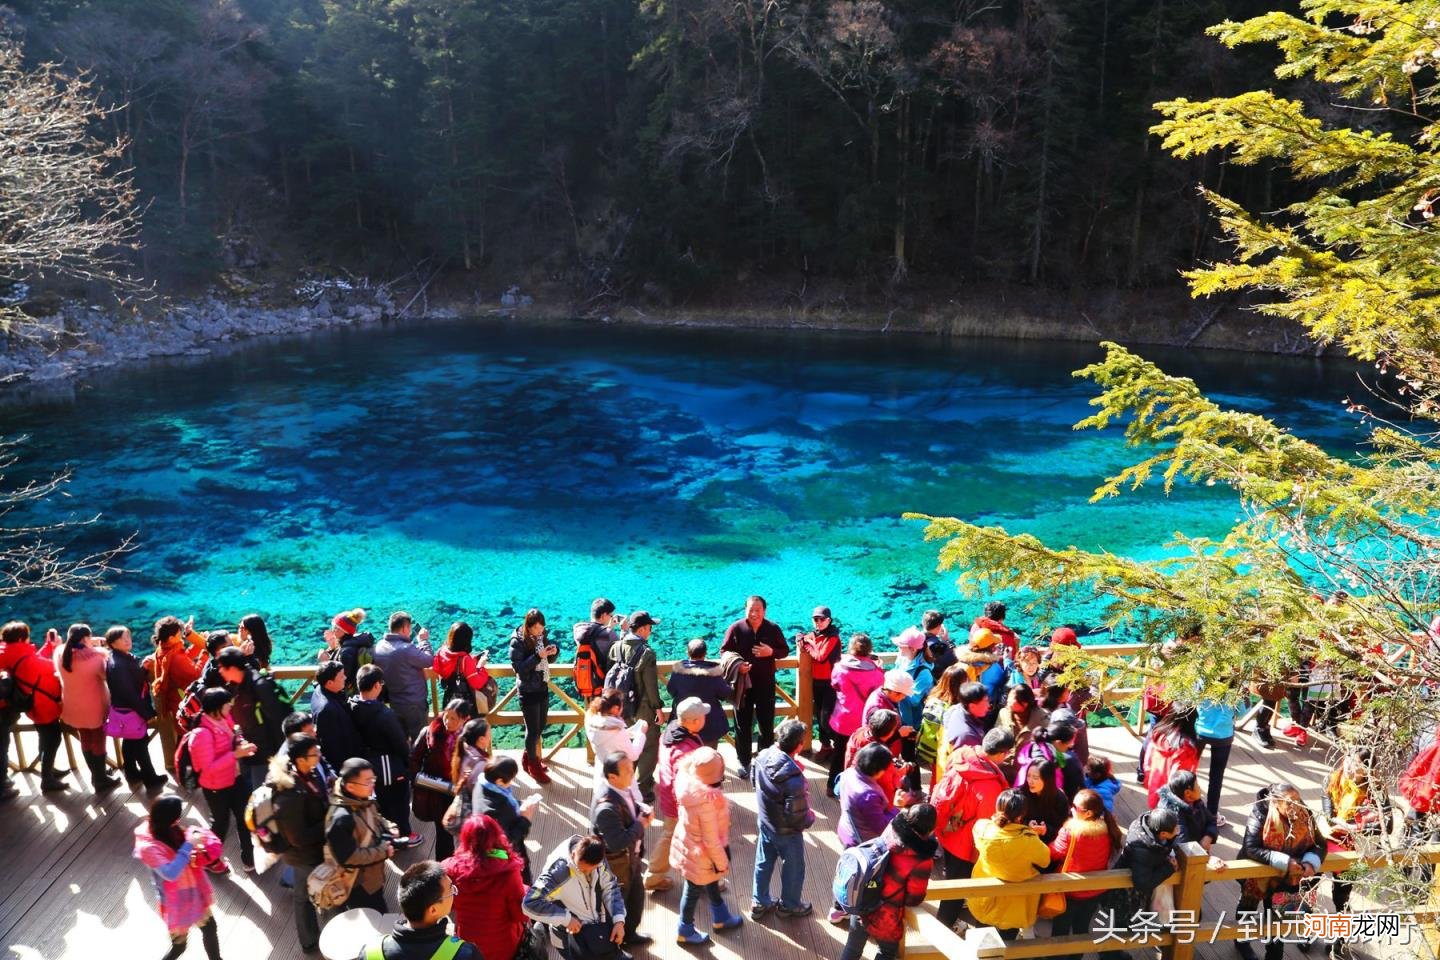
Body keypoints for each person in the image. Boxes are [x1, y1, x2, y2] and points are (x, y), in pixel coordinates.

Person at [929, 727, 1015, 928]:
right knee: (956, 892)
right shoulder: (989, 786)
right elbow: (987, 826)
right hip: (966, 845)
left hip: (950, 833)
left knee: (952, 883)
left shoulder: (962, 755)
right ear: (1002, 753)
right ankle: (944, 932)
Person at [838, 803, 938, 960]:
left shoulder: (892, 828)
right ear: (931, 829)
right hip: (886, 914)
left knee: (852, 947)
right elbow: (914, 897)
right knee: (887, 953)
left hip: (863, 896)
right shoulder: (922, 859)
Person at [1236, 784, 1325, 960]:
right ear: (1276, 803)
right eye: (1289, 803)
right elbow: (1251, 847)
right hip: (1260, 873)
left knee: (1276, 920)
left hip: (1287, 879)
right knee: (1248, 907)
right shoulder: (1261, 811)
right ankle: (1241, 940)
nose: (1295, 807)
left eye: (1297, 801)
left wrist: (1311, 861)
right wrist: (1284, 862)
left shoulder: (1304, 813)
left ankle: (1273, 956)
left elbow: (1320, 843)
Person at [133, 794, 225, 960]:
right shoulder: (148, 847)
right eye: (177, 817)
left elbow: (183, 853)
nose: (179, 820)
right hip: (175, 901)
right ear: (169, 819)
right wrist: (190, 844)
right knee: (179, 947)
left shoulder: (167, 829)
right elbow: (170, 873)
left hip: (193, 891)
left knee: (210, 929)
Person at [672, 746, 743, 944]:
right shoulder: (707, 803)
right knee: (693, 888)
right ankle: (684, 929)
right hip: (702, 854)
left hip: (689, 842)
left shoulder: (687, 782)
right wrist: (722, 863)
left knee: (710, 879)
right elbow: (711, 841)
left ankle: (721, 916)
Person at [268, 733, 330, 953]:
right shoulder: (289, 796)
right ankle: (313, 940)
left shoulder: (307, 774)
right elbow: (298, 837)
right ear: (301, 760)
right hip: (303, 855)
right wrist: (329, 822)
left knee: (307, 893)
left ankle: (311, 936)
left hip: (309, 851)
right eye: (315, 754)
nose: (319, 756)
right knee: (311, 897)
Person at [523, 834, 627, 959]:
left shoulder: (597, 856)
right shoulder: (558, 872)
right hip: (569, 937)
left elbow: (611, 887)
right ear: (573, 855)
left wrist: (619, 921)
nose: (588, 873)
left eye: (592, 869)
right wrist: (566, 919)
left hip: (598, 931)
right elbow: (529, 903)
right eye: (582, 870)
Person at [750, 718, 815, 920]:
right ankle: (790, 905)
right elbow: (798, 817)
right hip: (787, 832)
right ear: (799, 746)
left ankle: (759, 902)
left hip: (766, 822)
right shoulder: (794, 779)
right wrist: (810, 817)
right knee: (794, 869)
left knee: (763, 862)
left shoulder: (762, 756)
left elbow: (754, 780)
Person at [189, 687, 258, 872]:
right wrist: (236, 754)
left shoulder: (224, 718)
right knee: (221, 823)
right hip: (216, 787)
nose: (231, 707)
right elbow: (207, 768)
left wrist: (241, 743)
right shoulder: (201, 734)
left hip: (235, 779)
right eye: (228, 704)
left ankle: (249, 859)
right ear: (217, 707)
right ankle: (209, 859)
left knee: (245, 818)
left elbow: (235, 734)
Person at [720, 595, 790, 778]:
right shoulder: (736, 628)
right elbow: (724, 651)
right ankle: (743, 762)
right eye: (751, 609)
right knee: (742, 725)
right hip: (743, 685)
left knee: (766, 725)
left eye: (758, 610)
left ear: (764, 611)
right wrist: (737, 665)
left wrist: (771, 652)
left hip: (766, 685)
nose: (754, 613)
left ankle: (764, 761)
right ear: (745, 610)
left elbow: (785, 651)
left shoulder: (772, 628)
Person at [351, 663, 420, 845]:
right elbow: (399, 744)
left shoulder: (351, 707)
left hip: (366, 764)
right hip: (389, 765)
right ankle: (405, 836)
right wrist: (408, 761)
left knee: (380, 801)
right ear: (376, 686)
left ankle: (385, 836)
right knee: (399, 801)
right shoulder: (384, 714)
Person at [968, 789, 1051, 939]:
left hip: (986, 891)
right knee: (1008, 938)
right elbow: (1045, 861)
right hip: (1015, 900)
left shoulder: (983, 828)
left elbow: (995, 829)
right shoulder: (1028, 840)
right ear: (1020, 816)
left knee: (982, 934)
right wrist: (1031, 832)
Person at [591, 752, 655, 946]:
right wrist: (641, 824)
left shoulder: (620, 790)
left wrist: (640, 808)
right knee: (616, 908)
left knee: (636, 899)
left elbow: (628, 806)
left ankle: (630, 934)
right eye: (627, 770)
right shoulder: (606, 809)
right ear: (612, 777)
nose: (632, 772)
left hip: (630, 860)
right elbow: (617, 842)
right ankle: (613, 948)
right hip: (617, 866)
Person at [444, 816, 528, 960]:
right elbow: (520, 915)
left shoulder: (449, 868)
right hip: (504, 948)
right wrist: (525, 890)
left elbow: (447, 904)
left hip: (467, 946)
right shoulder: (508, 872)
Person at [646, 697, 707, 893]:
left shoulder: (671, 731)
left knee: (678, 836)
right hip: (680, 803)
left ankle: (655, 876)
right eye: (702, 716)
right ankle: (705, 879)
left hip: (667, 795)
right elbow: (684, 784)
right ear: (694, 721)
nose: (705, 718)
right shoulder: (684, 751)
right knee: (685, 837)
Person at [362, 860, 481, 960]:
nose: (454, 893)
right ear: (433, 910)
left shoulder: (370, 953)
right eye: (451, 890)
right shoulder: (465, 954)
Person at [1047, 788, 1123, 937]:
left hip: (1070, 891)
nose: (1071, 809)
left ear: (1088, 813)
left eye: (1075, 807)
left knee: (1060, 931)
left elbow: (1053, 852)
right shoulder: (1109, 829)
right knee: (1081, 929)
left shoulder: (1070, 832)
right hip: (1095, 890)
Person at [326, 757, 399, 912]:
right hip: (359, 883)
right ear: (351, 787)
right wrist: (383, 851)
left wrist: (388, 826)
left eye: (373, 779)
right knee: (374, 915)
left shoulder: (360, 797)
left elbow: (375, 817)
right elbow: (348, 858)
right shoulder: (340, 819)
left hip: (373, 875)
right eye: (368, 781)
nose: (373, 784)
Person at [409, 697, 478, 862]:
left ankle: (466, 865)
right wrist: (419, 779)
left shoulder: (471, 739)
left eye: (454, 718)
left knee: (468, 831)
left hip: (462, 793)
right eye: (446, 716)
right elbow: (414, 759)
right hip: (438, 792)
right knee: (443, 833)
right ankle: (445, 867)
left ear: (465, 719)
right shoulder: (429, 733)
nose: (447, 721)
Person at [56, 623, 120, 793]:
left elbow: (67, 651)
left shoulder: (61, 654)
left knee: (85, 738)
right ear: (85, 638)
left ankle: (96, 774)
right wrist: (99, 648)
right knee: (99, 740)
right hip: (94, 706)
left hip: (72, 705)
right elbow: (108, 675)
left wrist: (91, 645)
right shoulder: (96, 658)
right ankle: (100, 779)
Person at [213, 646, 289, 788]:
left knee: (262, 794)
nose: (220, 671)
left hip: (265, 756)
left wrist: (279, 757)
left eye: (222, 667)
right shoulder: (237, 685)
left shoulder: (260, 686)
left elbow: (277, 722)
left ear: (233, 668)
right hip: (249, 750)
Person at [0, 622, 63, 793]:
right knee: (52, 740)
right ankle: (47, 778)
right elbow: (43, 669)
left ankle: (48, 770)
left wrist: (48, 647)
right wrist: (59, 651)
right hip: (42, 705)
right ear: (22, 638)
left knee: (44, 738)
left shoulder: (6, 653)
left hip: (27, 704)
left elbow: (29, 663)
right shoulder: (26, 658)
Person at [608, 611, 664, 800]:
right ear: (641, 629)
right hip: (643, 707)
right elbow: (651, 686)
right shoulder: (647, 654)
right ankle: (643, 788)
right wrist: (658, 709)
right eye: (649, 628)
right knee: (649, 746)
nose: (650, 632)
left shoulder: (616, 647)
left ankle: (627, 782)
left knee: (628, 744)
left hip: (622, 706)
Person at [104, 624, 167, 791]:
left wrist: (143, 669)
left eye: (128, 637)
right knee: (140, 743)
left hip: (123, 708)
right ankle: (150, 778)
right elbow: (129, 692)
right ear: (112, 643)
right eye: (122, 638)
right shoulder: (118, 664)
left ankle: (131, 773)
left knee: (131, 741)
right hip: (131, 709)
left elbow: (130, 681)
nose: (127, 641)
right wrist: (146, 713)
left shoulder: (118, 658)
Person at [147, 616, 206, 778]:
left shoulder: (164, 648)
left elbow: (183, 655)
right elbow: (194, 673)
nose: (182, 636)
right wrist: (205, 653)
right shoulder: (175, 656)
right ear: (172, 637)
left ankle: (184, 766)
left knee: (182, 733)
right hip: (182, 700)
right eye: (180, 633)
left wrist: (194, 642)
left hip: (173, 699)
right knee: (186, 734)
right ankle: (188, 770)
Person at [828, 632, 884, 797]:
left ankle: (832, 786)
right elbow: (879, 691)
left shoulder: (839, 668)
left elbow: (835, 685)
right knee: (862, 756)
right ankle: (857, 790)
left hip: (843, 719)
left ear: (851, 649)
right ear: (869, 650)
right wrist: (879, 667)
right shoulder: (876, 672)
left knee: (838, 753)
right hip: (863, 723)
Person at [509, 608, 558, 785]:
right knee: (532, 730)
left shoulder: (541, 637)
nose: (540, 631)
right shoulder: (518, 641)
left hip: (542, 686)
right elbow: (519, 668)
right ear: (528, 627)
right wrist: (538, 656)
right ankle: (534, 766)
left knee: (541, 725)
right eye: (537, 628)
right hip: (528, 690)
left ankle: (528, 758)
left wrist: (553, 652)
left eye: (542, 628)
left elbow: (547, 660)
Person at [1114, 807, 1180, 932]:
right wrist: (1169, 868)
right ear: (1163, 834)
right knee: (1123, 923)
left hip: (1136, 873)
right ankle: (1112, 950)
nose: (1178, 831)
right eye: (1175, 829)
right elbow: (1142, 884)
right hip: (1128, 891)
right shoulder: (1144, 850)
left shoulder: (1147, 825)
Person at [372, 611, 434, 740]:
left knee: (403, 739)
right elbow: (428, 660)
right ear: (405, 628)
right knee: (419, 739)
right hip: (414, 704)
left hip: (395, 702)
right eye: (409, 628)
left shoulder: (379, 646)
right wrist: (423, 641)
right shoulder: (406, 649)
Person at [479, 757, 539, 882]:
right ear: (500, 781)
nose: (511, 782)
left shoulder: (482, 786)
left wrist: (519, 804)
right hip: (505, 858)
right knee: (523, 884)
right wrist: (525, 819)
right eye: (511, 778)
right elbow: (508, 840)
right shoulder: (498, 809)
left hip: (491, 852)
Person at [665, 639, 731, 747]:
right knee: (708, 758)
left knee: (687, 757)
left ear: (688, 653)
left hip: (685, 725)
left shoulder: (678, 672)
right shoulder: (713, 673)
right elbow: (725, 694)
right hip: (709, 724)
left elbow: (671, 691)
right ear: (705, 653)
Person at [585, 689, 648, 800]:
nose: (622, 709)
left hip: (603, 773)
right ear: (615, 709)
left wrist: (628, 733)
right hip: (621, 776)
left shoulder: (590, 720)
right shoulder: (617, 730)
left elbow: (610, 740)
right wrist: (641, 734)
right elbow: (633, 755)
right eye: (621, 707)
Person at [843, 709, 911, 806]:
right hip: (872, 799)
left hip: (851, 787)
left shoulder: (860, 732)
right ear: (889, 733)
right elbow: (886, 783)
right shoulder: (878, 755)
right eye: (894, 729)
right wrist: (900, 772)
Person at [310, 659, 367, 772]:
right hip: (344, 764)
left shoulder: (319, 690)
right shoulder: (327, 710)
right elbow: (333, 748)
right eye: (341, 676)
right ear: (330, 683)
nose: (345, 678)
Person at [800, 606, 842, 758]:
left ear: (829, 620)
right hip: (817, 681)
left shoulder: (833, 637)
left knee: (826, 719)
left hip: (831, 683)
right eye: (815, 619)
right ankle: (826, 746)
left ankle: (842, 744)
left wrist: (807, 643)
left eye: (822, 619)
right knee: (819, 715)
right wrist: (803, 638)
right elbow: (805, 640)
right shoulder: (816, 635)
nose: (818, 622)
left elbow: (820, 657)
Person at [1194, 695, 1239, 824]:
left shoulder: (1202, 678)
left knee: (1190, 771)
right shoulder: (1237, 687)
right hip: (1223, 735)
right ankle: (1212, 814)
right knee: (1216, 776)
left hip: (1200, 731)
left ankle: (1190, 807)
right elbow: (1243, 711)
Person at [433, 622, 493, 714]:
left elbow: (440, 669)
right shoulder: (465, 659)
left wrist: (472, 660)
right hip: (463, 705)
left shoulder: (442, 651)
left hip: (449, 699)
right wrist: (480, 666)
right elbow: (477, 684)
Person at [1143, 710, 1200, 808]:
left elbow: (1147, 762)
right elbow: (1180, 780)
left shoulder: (1158, 734)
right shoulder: (1185, 749)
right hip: (1172, 801)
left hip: (1155, 786)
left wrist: (1147, 778)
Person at [1155, 769, 1220, 852]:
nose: (1199, 788)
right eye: (1197, 785)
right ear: (1188, 793)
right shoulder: (1174, 813)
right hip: (1182, 856)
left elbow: (1211, 821)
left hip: (1198, 849)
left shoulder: (1196, 802)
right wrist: (1205, 856)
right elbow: (1183, 846)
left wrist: (1208, 836)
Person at [1014, 721, 1082, 798]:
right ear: (1058, 742)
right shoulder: (1044, 763)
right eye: (1069, 743)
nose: (1071, 746)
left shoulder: (1034, 747)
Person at [574, 599, 623, 703]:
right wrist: (624, 631)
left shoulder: (579, 631)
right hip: (605, 687)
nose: (612, 617)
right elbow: (622, 652)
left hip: (588, 684)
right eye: (611, 615)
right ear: (604, 615)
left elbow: (595, 641)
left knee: (592, 717)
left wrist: (608, 628)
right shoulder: (609, 634)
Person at [323, 608, 375, 691]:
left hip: (347, 694)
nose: (333, 630)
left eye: (336, 628)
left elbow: (342, 679)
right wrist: (332, 649)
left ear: (345, 631)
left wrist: (324, 661)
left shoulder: (346, 652)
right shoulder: (353, 643)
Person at [1020, 759, 1069, 844]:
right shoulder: (1020, 793)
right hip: (1023, 842)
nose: (1030, 781)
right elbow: (1013, 819)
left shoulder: (1060, 799)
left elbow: (1062, 829)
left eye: (1035, 778)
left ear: (1047, 780)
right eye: (1028, 776)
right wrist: (1027, 824)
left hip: (1048, 846)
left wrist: (1046, 830)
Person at [995, 684, 1049, 754]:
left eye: (1011, 698)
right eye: (1008, 697)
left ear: (1024, 703)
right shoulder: (1003, 713)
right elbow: (997, 737)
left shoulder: (1041, 717)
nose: (1008, 700)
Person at [922, 610, 957, 680]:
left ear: (923, 623)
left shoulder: (917, 639)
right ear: (939, 627)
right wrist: (947, 640)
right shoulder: (939, 646)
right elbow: (955, 658)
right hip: (938, 680)